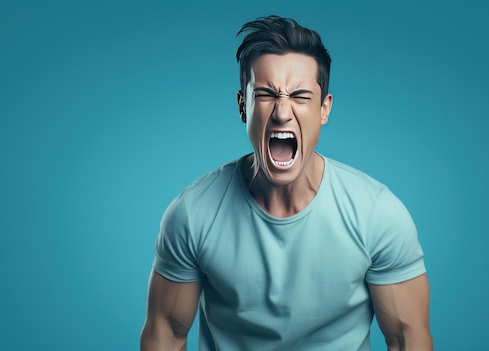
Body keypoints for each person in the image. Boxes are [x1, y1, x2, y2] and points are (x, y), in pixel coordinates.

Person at [140, 15, 432, 351]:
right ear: (243, 106)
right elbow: (166, 334)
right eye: (265, 94)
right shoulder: (193, 213)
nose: (282, 112)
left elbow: (407, 338)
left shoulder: (377, 214)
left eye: (300, 96)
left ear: (324, 109)